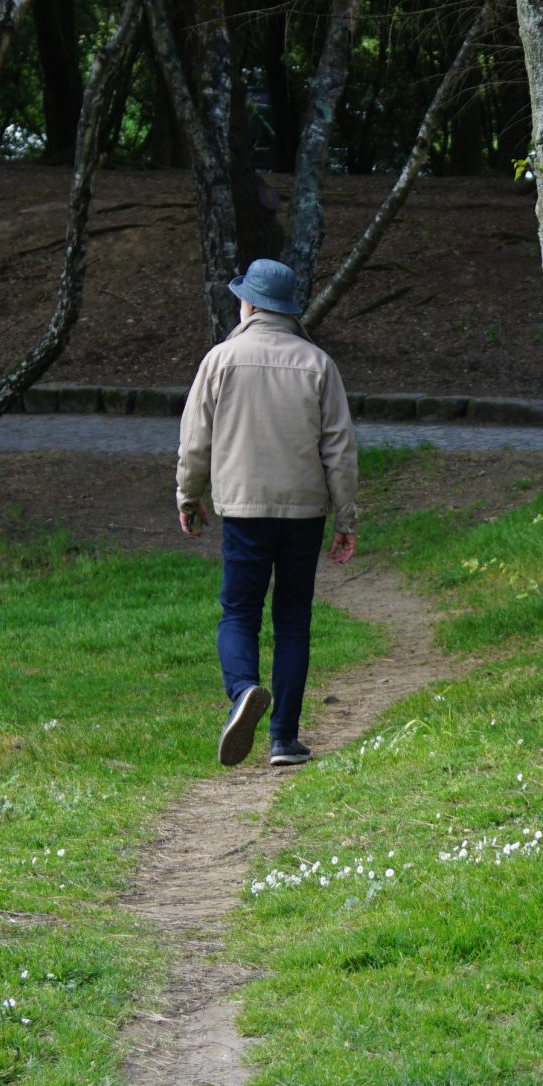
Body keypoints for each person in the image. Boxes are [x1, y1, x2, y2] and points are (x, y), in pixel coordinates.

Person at [175, 258, 359, 769]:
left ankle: (243, 692)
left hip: (243, 509)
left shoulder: (220, 360)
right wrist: (346, 519)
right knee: (293, 618)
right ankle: (284, 739)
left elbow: (195, 442)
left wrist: (188, 497)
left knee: (239, 611)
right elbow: (340, 450)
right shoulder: (319, 364)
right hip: (304, 513)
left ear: (250, 304)